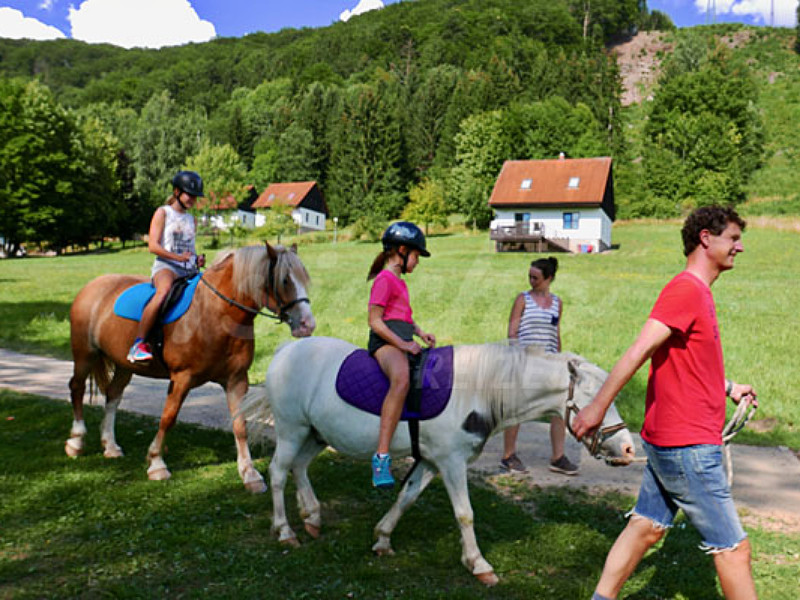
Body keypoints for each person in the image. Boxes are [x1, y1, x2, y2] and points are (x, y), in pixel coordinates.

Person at [572, 205, 758, 600]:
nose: (739, 248)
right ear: (706, 239)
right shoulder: (686, 290)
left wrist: (728, 387)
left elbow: (685, 360)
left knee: (647, 527)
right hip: (688, 446)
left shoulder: (696, 292)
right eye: (733, 238)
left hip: (670, 441)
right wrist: (597, 408)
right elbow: (639, 350)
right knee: (734, 550)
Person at [367, 222, 436, 489]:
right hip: (385, 343)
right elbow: (375, 321)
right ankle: (381, 457)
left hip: (402, 337)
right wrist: (404, 345)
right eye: (417, 256)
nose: (417, 262)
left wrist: (420, 334)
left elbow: (403, 316)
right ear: (403, 250)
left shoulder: (399, 282)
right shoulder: (384, 279)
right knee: (401, 379)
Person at [501, 257, 579, 476]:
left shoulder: (557, 302)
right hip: (525, 361)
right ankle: (508, 456)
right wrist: (518, 356)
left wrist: (561, 359)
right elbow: (512, 332)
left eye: (536, 277)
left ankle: (558, 457)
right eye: (530, 277)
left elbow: (556, 333)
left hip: (549, 363)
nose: (531, 281)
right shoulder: (522, 299)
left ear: (549, 278)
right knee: (516, 407)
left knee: (559, 407)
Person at [127, 170, 206, 363]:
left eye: (195, 197)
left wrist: (196, 260)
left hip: (188, 269)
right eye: (190, 195)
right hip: (166, 267)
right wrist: (178, 258)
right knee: (163, 292)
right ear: (177, 191)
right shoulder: (163, 213)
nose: (193, 200)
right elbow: (153, 246)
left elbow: (189, 248)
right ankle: (139, 343)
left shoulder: (191, 219)